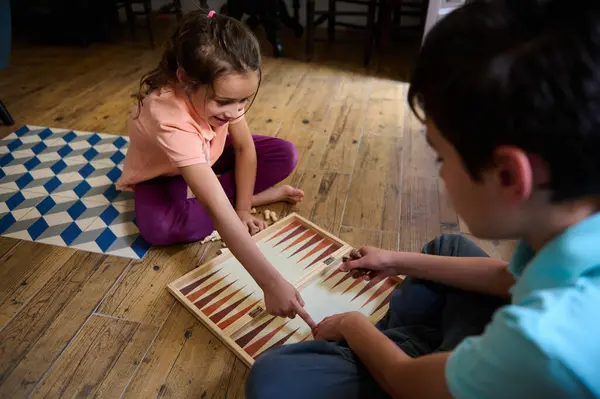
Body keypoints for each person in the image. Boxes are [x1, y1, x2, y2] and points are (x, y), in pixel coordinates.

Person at [245, 0, 600, 397]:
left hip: (439, 378)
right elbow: (509, 280)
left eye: (441, 156)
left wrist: (351, 324)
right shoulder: (573, 222)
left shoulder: (546, 344)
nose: (440, 173)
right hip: (486, 354)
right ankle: (430, 351)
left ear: (509, 175)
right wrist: (394, 260)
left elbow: (407, 384)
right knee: (447, 248)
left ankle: (420, 352)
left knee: (272, 379)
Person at [116, 10, 316, 329]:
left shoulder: (224, 93)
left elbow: (244, 147)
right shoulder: (166, 115)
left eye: (244, 101)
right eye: (225, 102)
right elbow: (217, 212)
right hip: (164, 174)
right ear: (184, 79)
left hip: (208, 155)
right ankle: (254, 193)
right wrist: (271, 283)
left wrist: (244, 207)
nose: (235, 111)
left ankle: (246, 193)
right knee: (160, 229)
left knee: (285, 154)